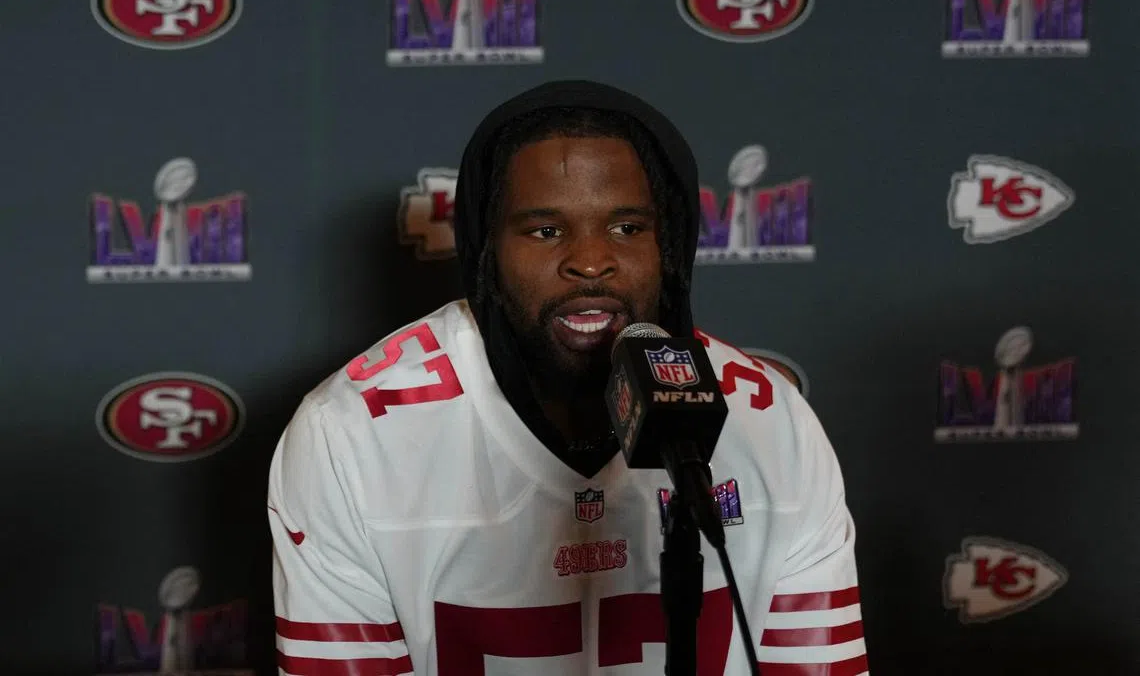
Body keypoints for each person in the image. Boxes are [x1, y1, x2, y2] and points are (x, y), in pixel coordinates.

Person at [268, 80, 869, 675]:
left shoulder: (773, 422)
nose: (589, 261)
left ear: (673, 247)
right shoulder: (349, 436)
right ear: (486, 252)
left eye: (627, 228)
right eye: (545, 230)